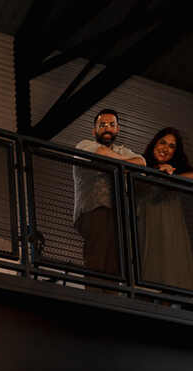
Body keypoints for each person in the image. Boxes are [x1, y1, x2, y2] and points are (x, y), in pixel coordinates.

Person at [72, 108, 146, 275]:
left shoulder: (122, 151)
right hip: (94, 210)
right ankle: (94, 295)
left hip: (120, 214)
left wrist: (117, 161)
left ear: (117, 129)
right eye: (102, 124)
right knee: (97, 260)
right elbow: (100, 153)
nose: (107, 128)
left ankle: (111, 296)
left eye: (112, 124)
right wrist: (125, 165)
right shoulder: (85, 145)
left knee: (116, 264)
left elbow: (141, 162)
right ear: (94, 130)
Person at [137, 127, 193, 291]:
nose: (165, 148)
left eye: (172, 146)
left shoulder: (176, 172)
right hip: (146, 227)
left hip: (171, 232)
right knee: (145, 277)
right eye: (163, 143)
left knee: (170, 275)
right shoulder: (140, 164)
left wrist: (170, 177)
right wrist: (157, 173)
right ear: (154, 144)